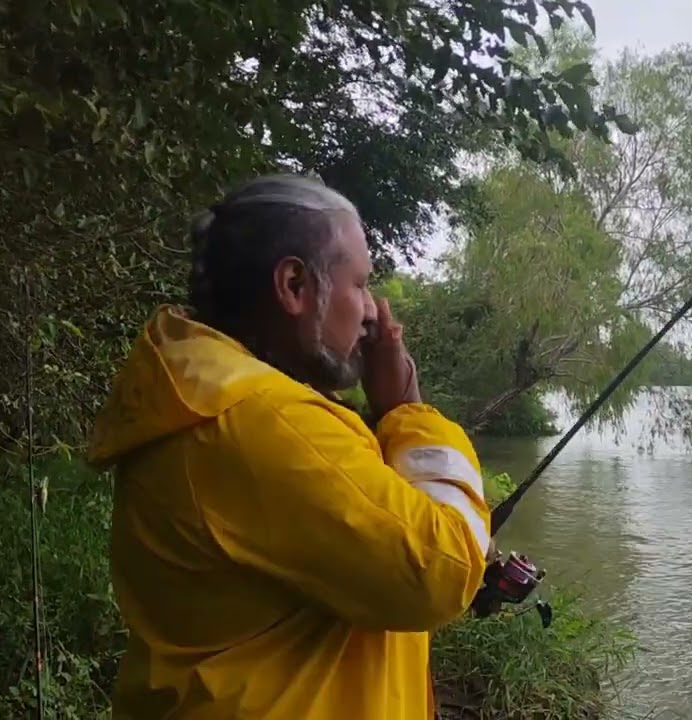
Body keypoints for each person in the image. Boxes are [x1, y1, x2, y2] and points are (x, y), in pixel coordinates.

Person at [87, 174, 491, 719]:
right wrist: (407, 413)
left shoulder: (203, 396)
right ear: (295, 286)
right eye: (360, 284)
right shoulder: (260, 421)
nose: (373, 311)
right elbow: (443, 567)